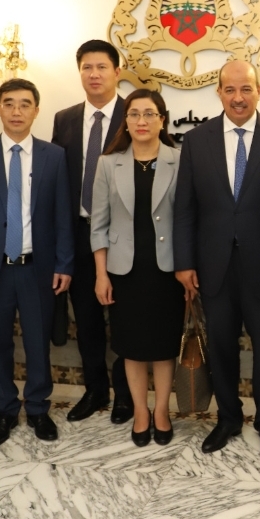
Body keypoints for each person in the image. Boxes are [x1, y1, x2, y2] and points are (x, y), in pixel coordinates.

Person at [173, 60, 260, 458]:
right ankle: (228, 418)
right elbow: (185, 208)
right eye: (229, 89)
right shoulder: (196, 141)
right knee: (221, 348)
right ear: (218, 93)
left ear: (259, 91)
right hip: (214, 267)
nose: (237, 97)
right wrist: (184, 262)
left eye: (246, 89)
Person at [0, 79, 74, 448]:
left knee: (38, 343)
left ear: (36, 110)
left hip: (38, 268)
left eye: (24, 104)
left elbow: (63, 216)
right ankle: (5, 409)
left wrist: (64, 264)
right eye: (9, 103)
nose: (17, 111)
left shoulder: (54, 155)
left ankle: (37, 408)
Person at [91, 89, 184, 447]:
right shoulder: (108, 164)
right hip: (123, 272)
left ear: (162, 120)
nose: (141, 121)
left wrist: (189, 270)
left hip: (167, 271)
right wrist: (101, 274)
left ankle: (161, 411)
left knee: (163, 346)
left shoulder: (180, 160)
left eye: (149, 114)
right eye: (134, 114)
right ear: (126, 121)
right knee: (131, 346)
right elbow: (98, 225)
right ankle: (141, 412)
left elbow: (189, 220)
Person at [51, 40, 131, 424]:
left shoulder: (135, 114)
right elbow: (58, 181)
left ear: (117, 72)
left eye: (101, 67)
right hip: (78, 235)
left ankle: (125, 395)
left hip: (123, 237)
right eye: (87, 67)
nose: (94, 74)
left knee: (124, 319)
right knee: (86, 320)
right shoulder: (64, 119)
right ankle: (95, 389)